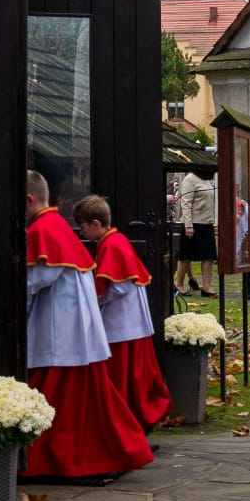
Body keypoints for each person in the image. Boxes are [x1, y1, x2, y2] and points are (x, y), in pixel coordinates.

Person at [22, 171, 152, 479]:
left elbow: (40, 277)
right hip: (70, 327)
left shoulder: (43, 228)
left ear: (29, 199)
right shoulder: (55, 225)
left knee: (55, 395)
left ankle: (48, 458)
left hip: (60, 330)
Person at [73, 195, 172, 430]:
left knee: (124, 381)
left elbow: (117, 286)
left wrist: (93, 299)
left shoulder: (111, 245)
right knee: (134, 381)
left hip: (122, 325)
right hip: (129, 323)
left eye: (83, 227)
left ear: (95, 224)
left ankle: (129, 427)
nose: (81, 233)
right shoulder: (116, 241)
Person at [175, 168, 217, 297]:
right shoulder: (190, 179)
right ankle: (179, 284)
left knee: (209, 256)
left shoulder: (207, 179)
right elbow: (185, 203)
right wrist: (188, 225)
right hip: (193, 223)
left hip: (207, 223)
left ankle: (206, 287)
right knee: (186, 256)